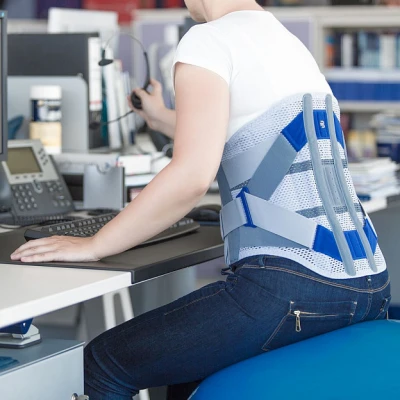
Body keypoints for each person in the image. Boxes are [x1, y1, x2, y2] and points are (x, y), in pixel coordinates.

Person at [11, 0, 391, 398]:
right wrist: (160, 117)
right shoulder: (285, 41)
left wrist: (95, 244)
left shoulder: (207, 40)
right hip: (369, 286)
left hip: (290, 289)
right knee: (186, 370)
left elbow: (191, 178)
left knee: (102, 364)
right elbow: (244, 128)